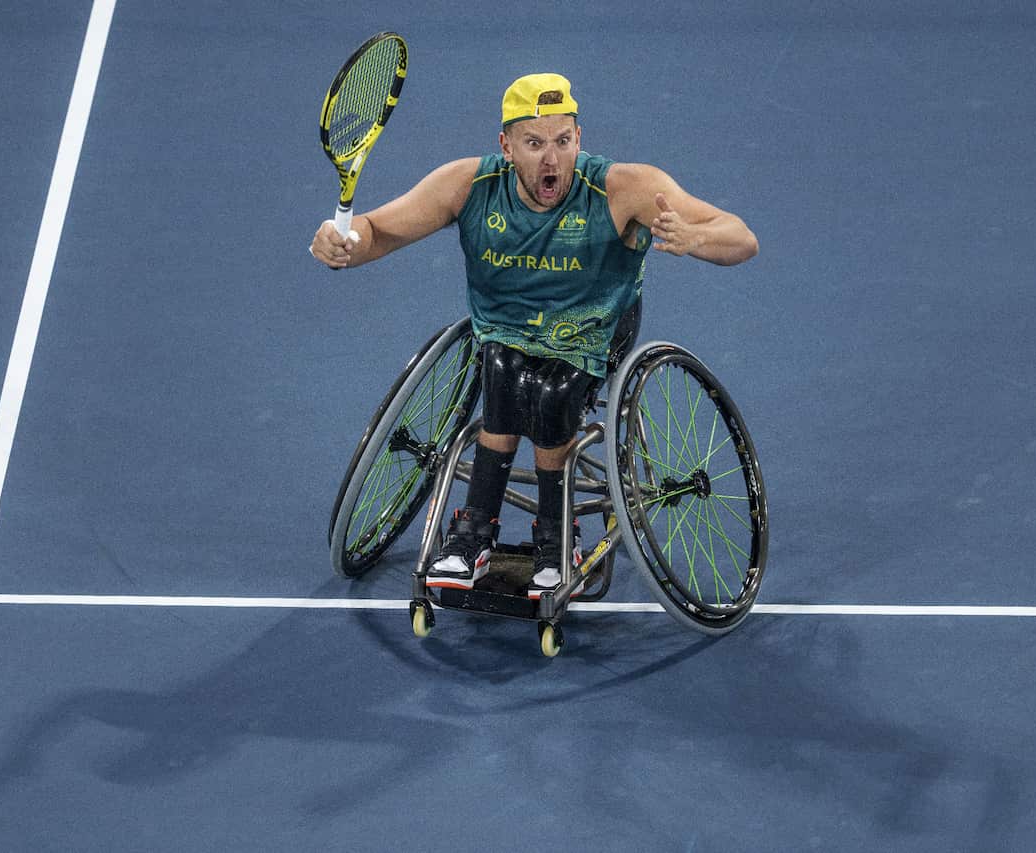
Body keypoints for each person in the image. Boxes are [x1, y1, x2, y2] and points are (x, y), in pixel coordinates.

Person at [311, 73, 757, 599]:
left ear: (578, 138)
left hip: (594, 329)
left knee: (553, 392)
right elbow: (378, 231)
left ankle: (557, 536)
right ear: (506, 146)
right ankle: (473, 534)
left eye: (563, 141)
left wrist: (694, 236)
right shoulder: (467, 185)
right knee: (502, 371)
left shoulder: (626, 189)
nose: (552, 159)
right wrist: (342, 243)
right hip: (506, 332)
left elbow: (741, 238)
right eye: (534, 143)